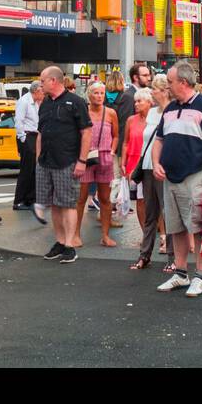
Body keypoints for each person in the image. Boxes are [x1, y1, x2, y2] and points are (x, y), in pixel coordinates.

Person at [151, 62, 202, 298]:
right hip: (171, 177)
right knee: (177, 228)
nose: (167, 86)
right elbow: (159, 139)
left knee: (197, 227)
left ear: (182, 82)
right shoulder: (171, 108)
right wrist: (156, 163)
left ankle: (200, 276)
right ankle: (181, 273)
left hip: (195, 175)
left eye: (170, 82)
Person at [36, 66, 92, 264]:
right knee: (54, 204)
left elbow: (86, 132)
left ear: (53, 80)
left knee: (67, 203)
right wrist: (38, 159)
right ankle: (60, 242)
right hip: (46, 161)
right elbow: (41, 133)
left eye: (42, 81)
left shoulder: (76, 102)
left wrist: (82, 161)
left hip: (67, 160)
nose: (40, 84)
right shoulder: (45, 103)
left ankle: (70, 246)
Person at [132, 74, 171, 272]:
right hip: (148, 165)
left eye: (155, 89)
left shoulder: (172, 111)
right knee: (150, 213)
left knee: (169, 212)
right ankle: (144, 255)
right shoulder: (154, 113)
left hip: (165, 167)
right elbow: (146, 140)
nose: (152, 92)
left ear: (164, 91)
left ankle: (173, 258)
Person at [74, 81, 120, 248]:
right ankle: (76, 234)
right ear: (89, 95)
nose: (99, 96)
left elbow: (116, 135)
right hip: (85, 157)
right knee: (81, 198)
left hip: (105, 157)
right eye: (96, 93)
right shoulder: (82, 111)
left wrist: (113, 150)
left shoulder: (111, 113)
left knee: (105, 198)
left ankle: (105, 236)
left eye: (102, 93)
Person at [123, 87, 154, 261]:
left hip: (150, 162)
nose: (136, 104)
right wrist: (123, 162)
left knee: (155, 201)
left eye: (139, 101)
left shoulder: (156, 119)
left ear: (149, 103)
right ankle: (145, 234)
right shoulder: (131, 120)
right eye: (135, 101)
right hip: (135, 163)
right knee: (140, 201)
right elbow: (126, 142)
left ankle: (162, 236)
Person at [13, 81, 43, 216]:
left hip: (35, 136)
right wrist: (23, 138)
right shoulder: (24, 101)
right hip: (27, 136)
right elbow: (18, 120)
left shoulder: (36, 103)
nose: (43, 94)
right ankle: (18, 200)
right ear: (36, 91)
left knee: (34, 169)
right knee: (26, 169)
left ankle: (30, 199)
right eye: (42, 91)